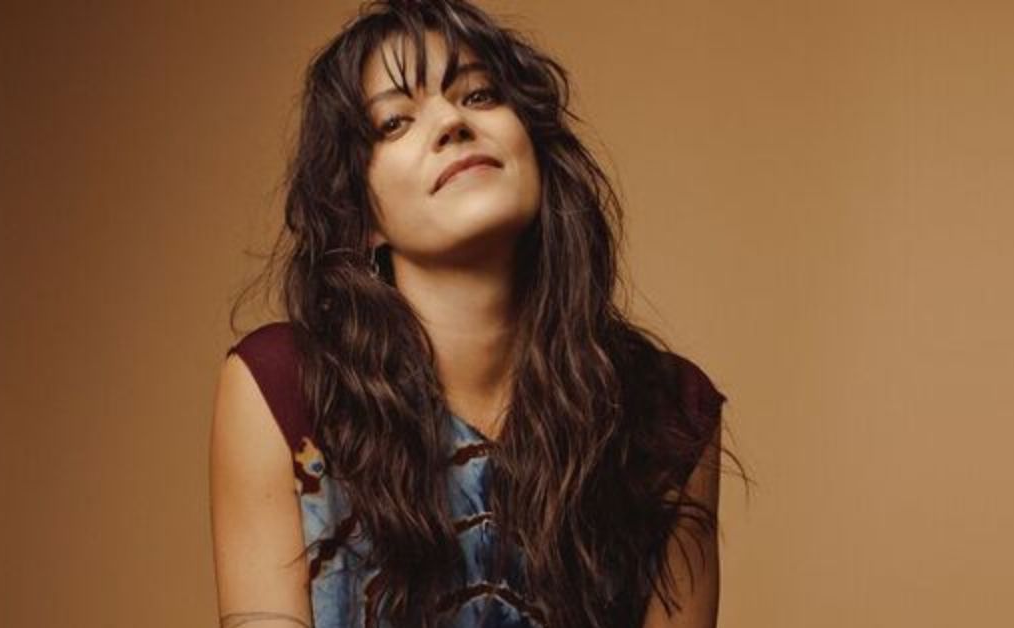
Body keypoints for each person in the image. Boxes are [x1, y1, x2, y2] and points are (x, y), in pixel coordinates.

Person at [210, 1, 746, 627]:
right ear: (360, 215)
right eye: (394, 122)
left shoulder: (669, 415)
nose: (451, 122)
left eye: (480, 95)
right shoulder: (283, 389)